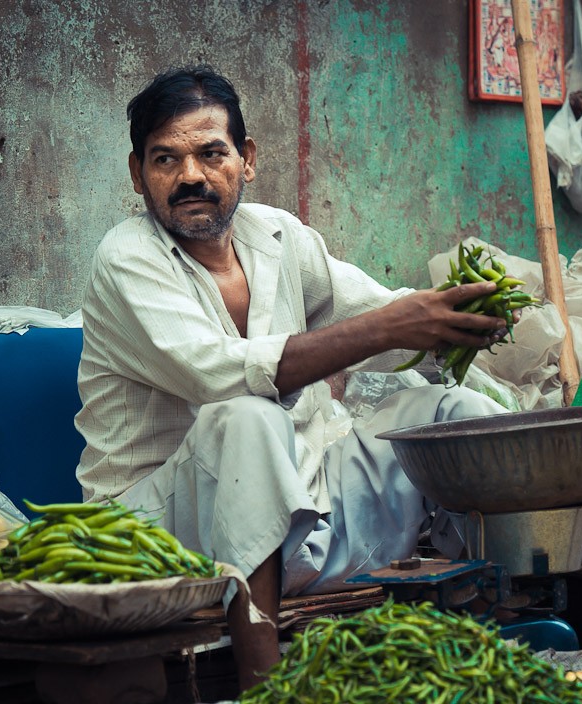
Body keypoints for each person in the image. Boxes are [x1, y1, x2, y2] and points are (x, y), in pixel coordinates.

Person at [74, 64, 512, 691]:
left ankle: (491, 632)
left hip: (301, 511)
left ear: (246, 159)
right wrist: (392, 326)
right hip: (161, 533)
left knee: (450, 413)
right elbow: (218, 377)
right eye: (165, 159)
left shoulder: (278, 236)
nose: (190, 176)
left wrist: (450, 321)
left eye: (210, 153)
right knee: (246, 415)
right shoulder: (125, 259)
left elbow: (376, 319)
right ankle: (266, 683)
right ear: (137, 173)